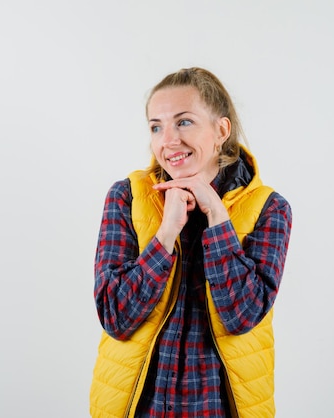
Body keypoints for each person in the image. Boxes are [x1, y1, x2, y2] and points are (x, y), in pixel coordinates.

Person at [89, 67, 292, 418]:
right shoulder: (127, 197)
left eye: (183, 122)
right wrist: (165, 234)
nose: (168, 140)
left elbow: (242, 316)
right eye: (156, 126)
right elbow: (114, 316)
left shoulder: (269, 209)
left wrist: (217, 217)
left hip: (218, 409)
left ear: (221, 131)